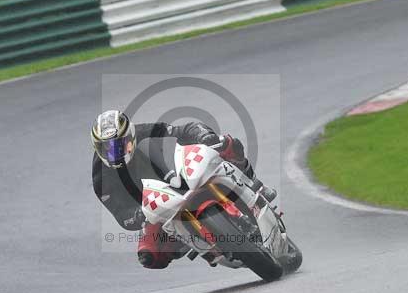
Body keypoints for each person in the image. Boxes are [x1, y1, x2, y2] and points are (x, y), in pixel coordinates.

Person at [91, 109, 274, 269]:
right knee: (150, 256)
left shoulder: (143, 131)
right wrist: (138, 214)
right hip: (155, 205)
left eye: (121, 145)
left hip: (181, 174)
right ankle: (193, 243)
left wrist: (204, 136)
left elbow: (183, 130)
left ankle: (256, 184)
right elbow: (121, 215)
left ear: (131, 135)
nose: (114, 153)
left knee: (226, 143)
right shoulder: (101, 177)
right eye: (106, 148)